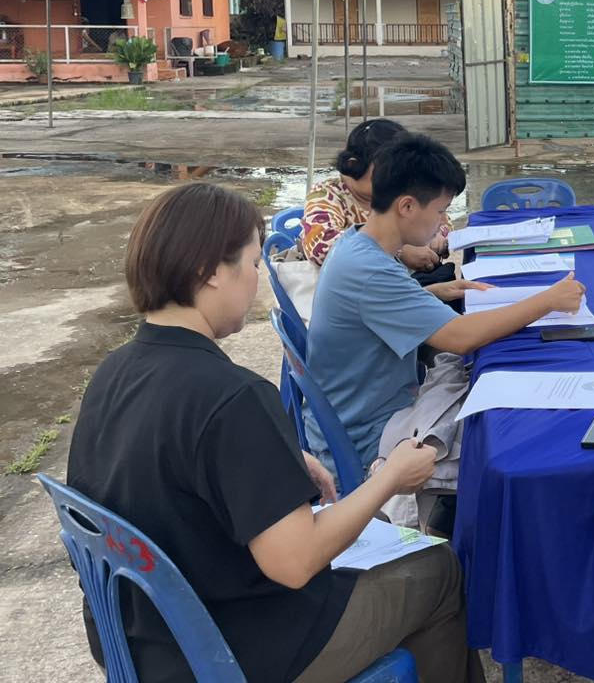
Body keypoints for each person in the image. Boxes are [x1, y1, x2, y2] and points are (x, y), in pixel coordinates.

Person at [67, 183, 481, 681]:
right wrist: (389, 478)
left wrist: (280, 458)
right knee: (437, 573)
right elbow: (295, 562)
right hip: (232, 652)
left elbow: (163, 467)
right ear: (209, 273)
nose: (257, 278)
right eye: (250, 262)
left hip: (139, 640)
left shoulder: (113, 372)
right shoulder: (231, 397)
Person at [307, 132, 585, 468]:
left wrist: (430, 293)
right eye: (440, 211)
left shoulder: (358, 244)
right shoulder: (369, 270)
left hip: (367, 409)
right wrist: (549, 299)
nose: (443, 223)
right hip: (368, 435)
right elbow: (461, 338)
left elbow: (371, 312)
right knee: (514, 445)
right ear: (406, 206)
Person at [299, 118, 448, 271]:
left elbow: (441, 218)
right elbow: (320, 247)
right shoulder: (327, 195)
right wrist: (399, 252)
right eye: (387, 168)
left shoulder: (399, 190)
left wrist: (436, 237)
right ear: (354, 164)